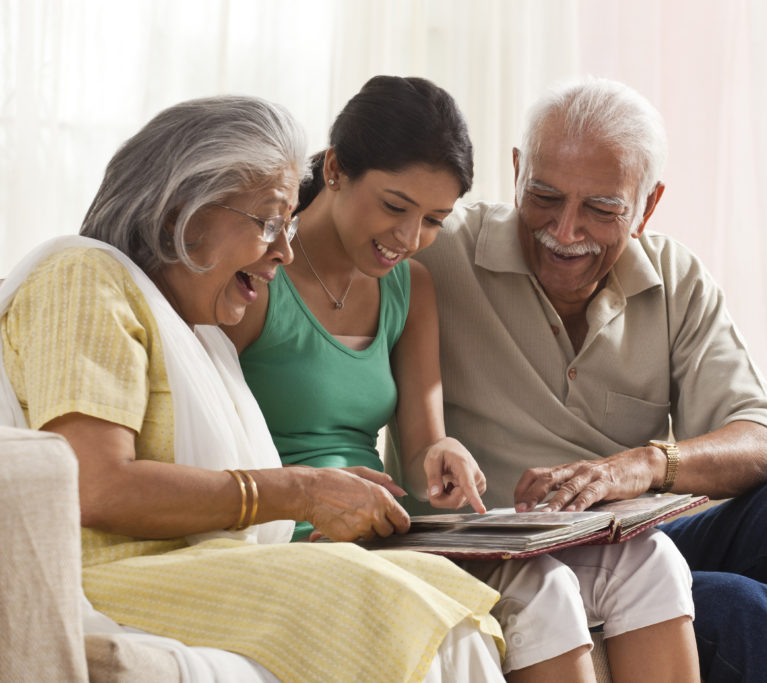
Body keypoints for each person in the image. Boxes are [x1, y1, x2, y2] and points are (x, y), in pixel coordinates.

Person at [0, 95, 508, 683]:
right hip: (121, 575)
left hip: (208, 564)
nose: (285, 251)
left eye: (287, 224)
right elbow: (95, 484)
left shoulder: (201, 332)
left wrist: (326, 492)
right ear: (179, 214)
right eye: (269, 223)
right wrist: (301, 490)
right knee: (401, 608)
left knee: (452, 594)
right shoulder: (82, 277)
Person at [412, 77, 767, 682]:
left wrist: (640, 465)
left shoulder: (676, 277)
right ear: (516, 171)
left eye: (601, 208)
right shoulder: (439, 248)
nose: (565, 231)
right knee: (737, 607)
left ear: (647, 205)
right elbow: (335, 239)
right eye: (544, 195)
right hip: (517, 560)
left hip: (643, 549)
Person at [225, 75, 700, 683]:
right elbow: (205, 426)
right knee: (546, 590)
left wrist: (442, 454)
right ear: (337, 169)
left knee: (648, 557)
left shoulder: (409, 284)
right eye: (396, 208)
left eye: (433, 220)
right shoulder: (259, 279)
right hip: (294, 531)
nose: (408, 238)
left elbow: (425, 437)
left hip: (384, 527)